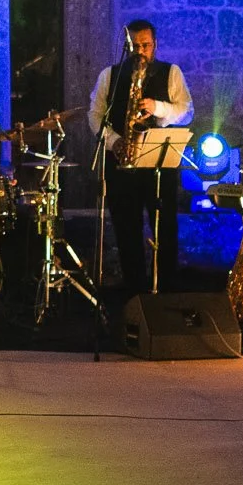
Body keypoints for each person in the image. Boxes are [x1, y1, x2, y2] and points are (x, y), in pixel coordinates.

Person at [87, 19, 193, 294]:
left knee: (165, 227)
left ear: (155, 45)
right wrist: (114, 141)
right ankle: (133, 290)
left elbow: (187, 112)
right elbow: (95, 116)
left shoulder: (171, 72)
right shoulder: (110, 75)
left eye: (145, 45)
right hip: (121, 162)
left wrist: (157, 107)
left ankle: (166, 289)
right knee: (126, 229)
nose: (141, 51)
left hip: (158, 165)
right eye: (135, 46)